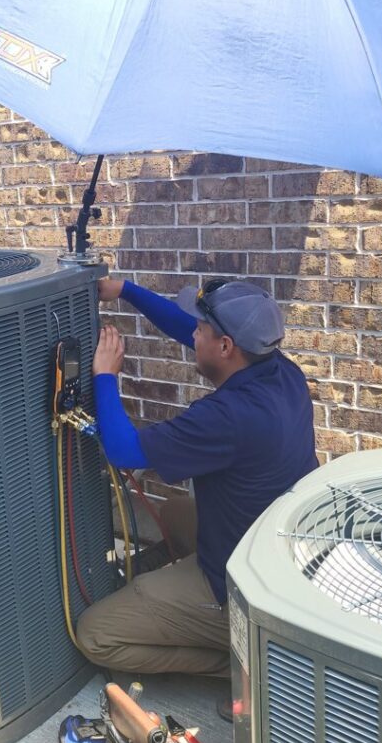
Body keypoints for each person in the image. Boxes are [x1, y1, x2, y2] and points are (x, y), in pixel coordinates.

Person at [76, 276, 318, 681]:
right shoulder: (279, 370)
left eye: (201, 329)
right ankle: (152, 586)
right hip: (274, 545)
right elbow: (182, 325)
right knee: (173, 512)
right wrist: (126, 290)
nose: (193, 334)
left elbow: (123, 452)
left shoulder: (228, 417)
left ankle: (249, 666)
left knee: (96, 634)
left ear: (225, 346)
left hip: (243, 584)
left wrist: (105, 376)